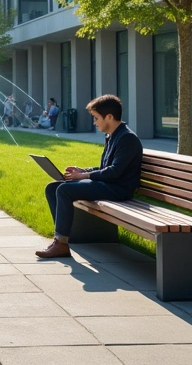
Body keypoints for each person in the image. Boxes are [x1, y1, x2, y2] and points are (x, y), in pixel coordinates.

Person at [36, 94, 143, 259]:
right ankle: (61, 238)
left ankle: (61, 244)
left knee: (64, 190)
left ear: (109, 117)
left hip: (119, 189)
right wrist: (82, 170)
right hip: (109, 185)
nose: (94, 122)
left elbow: (114, 172)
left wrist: (83, 175)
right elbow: (104, 168)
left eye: (96, 118)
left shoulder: (127, 138)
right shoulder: (114, 136)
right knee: (52, 188)